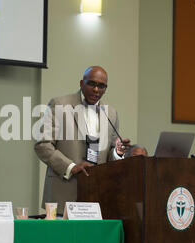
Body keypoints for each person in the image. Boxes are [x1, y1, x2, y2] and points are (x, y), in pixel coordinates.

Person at [34, 66, 130, 214]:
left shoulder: (111, 113)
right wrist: (71, 167)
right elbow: (43, 145)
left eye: (101, 86)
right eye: (92, 83)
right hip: (63, 192)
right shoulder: (59, 104)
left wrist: (117, 153)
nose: (96, 89)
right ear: (81, 83)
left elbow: (109, 154)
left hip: (97, 198)